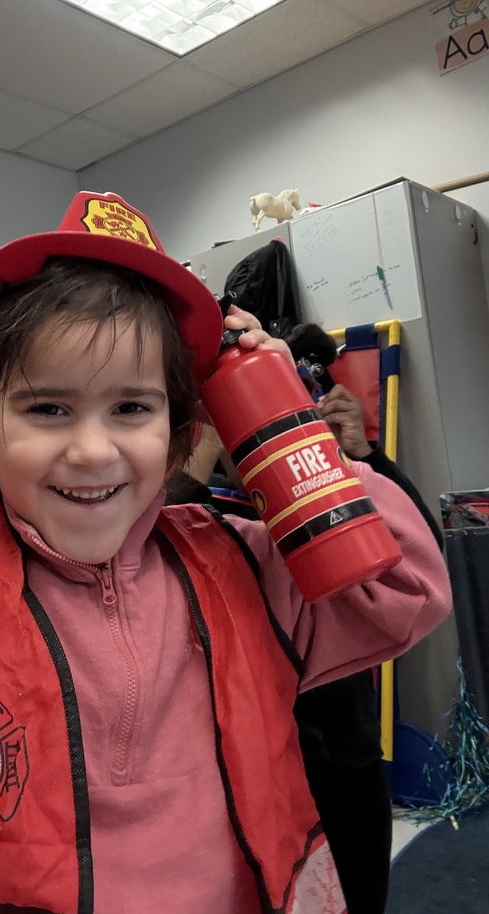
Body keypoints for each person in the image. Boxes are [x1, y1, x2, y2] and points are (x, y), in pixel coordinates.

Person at [0, 191, 451, 914]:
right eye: (48, 408)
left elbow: (404, 589)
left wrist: (279, 417)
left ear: (180, 428)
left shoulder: (248, 568)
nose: (92, 450)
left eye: (132, 407)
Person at [166, 382, 444, 914]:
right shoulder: (203, 508)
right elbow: (166, 560)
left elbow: (415, 568)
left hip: (347, 754)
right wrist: (202, 450)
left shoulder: (325, 490)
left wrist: (352, 457)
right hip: (255, 771)